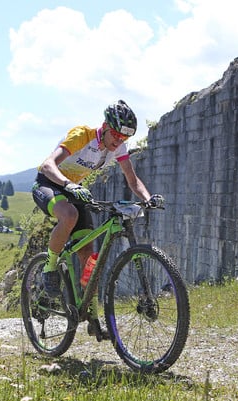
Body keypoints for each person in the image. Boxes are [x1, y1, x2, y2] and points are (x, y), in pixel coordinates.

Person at [31, 100, 164, 340]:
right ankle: (50, 267)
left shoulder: (118, 148)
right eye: (115, 135)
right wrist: (68, 184)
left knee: (90, 258)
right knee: (69, 215)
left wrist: (148, 197)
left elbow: (133, 181)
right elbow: (49, 165)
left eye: (124, 138)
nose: (118, 142)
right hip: (49, 184)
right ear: (105, 126)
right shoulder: (82, 135)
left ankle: (91, 316)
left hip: (74, 190)